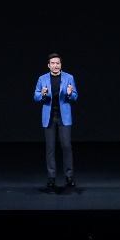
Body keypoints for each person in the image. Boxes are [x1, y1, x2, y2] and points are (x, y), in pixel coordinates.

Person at [34, 52, 79, 188]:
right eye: (52, 63)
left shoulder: (69, 77)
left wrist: (70, 94)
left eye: (57, 63)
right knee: (50, 148)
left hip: (64, 117)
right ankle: (51, 177)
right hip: (49, 117)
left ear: (61, 64)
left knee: (66, 146)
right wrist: (42, 94)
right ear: (48, 65)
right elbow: (36, 96)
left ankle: (69, 176)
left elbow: (75, 96)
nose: (55, 65)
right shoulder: (42, 79)